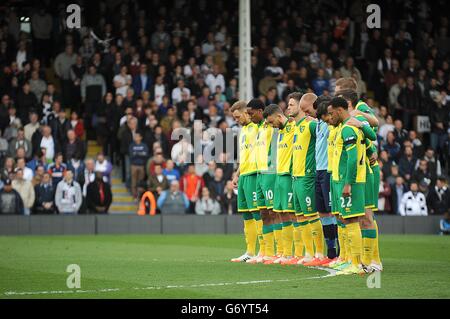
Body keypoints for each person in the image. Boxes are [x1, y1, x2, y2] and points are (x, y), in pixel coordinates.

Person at [326, 96, 367, 275]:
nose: (329, 117)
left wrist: (348, 183)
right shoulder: (346, 127)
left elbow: (351, 159)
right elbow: (370, 135)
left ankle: (356, 263)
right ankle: (349, 259)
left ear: (339, 110)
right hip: (342, 179)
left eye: (331, 113)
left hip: (350, 180)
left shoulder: (348, 129)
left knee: (351, 220)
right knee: (345, 219)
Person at [262, 103, 296, 265]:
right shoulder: (280, 131)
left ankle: (297, 253)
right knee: (280, 213)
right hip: (278, 176)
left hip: (290, 175)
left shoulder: (293, 125)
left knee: (294, 214)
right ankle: (284, 252)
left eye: (271, 121)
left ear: (278, 116)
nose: (271, 125)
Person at [245, 98, 277, 264]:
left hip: (269, 172)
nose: (249, 117)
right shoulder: (258, 128)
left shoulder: (271, 126)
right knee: (263, 212)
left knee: (274, 212)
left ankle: (278, 252)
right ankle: (265, 251)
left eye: (251, 114)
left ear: (260, 111)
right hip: (258, 174)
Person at [228, 101, 259, 263]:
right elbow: (243, 156)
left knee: (257, 213)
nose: (236, 120)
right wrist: (237, 174)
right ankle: (250, 251)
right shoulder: (243, 131)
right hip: (244, 175)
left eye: (237, 116)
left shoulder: (257, 127)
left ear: (246, 112)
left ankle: (264, 251)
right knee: (246, 215)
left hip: (255, 174)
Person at [129, 132, 149, 198]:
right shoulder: (132, 145)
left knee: (140, 181)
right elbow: (131, 155)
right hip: (133, 165)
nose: (136, 138)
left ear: (141, 137)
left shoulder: (144, 145)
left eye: (137, 136)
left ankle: (140, 195)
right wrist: (140, 153)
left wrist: (137, 153)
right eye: (135, 136)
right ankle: (134, 195)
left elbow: (145, 154)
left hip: (142, 165)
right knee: (133, 181)